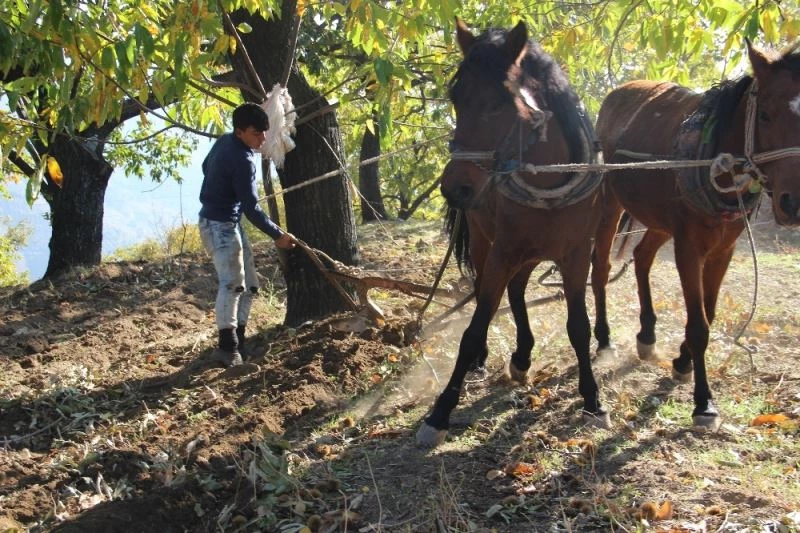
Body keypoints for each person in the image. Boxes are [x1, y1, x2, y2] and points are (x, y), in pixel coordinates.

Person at [198, 102, 296, 367]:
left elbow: (206, 168)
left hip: (226, 221)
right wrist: (277, 234)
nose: (262, 139)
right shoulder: (242, 160)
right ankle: (227, 349)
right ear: (239, 131)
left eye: (264, 132)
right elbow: (252, 208)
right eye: (256, 133)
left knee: (250, 284)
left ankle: (239, 341)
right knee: (232, 284)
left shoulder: (224, 142)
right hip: (220, 225)